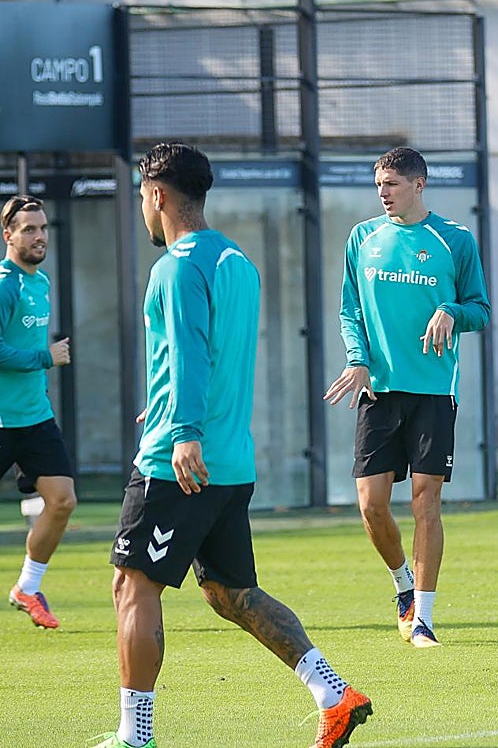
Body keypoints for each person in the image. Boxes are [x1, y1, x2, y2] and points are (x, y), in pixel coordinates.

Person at [100, 143, 370, 748]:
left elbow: (194, 351)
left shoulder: (175, 266)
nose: (143, 207)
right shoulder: (236, 260)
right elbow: (214, 356)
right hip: (230, 459)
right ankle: (334, 693)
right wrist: (174, 406)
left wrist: (183, 428)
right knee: (230, 594)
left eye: (143, 195)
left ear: (159, 194)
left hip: (180, 462)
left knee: (133, 583)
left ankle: (134, 736)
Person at [325, 146, 490, 648]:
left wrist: (450, 311)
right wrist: (357, 359)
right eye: (379, 185)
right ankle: (403, 585)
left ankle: (425, 618)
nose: (383, 194)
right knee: (372, 505)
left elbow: (479, 309)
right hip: (379, 390)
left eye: (392, 184)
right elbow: (349, 309)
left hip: (435, 392)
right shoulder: (363, 237)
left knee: (426, 502)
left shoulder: (454, 240)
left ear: (419, 184)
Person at [1, 195, 74, 629]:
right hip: (2, 421)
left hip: (34, 418)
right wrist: (45, 359)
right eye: (29, 229)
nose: (39, 236)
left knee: (62, 501)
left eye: (43, 227)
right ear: (7, 235)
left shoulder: (40, 282)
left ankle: (27, 587)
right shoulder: (5, 285)